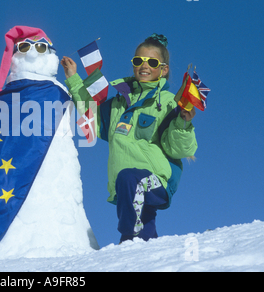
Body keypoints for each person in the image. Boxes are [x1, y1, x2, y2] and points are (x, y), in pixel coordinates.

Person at [61, 34, 198, 243]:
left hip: (155, 179)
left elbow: (179, 150)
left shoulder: (170, 102)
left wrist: (182, 123)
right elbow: (92, 117)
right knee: (147, 231)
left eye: (152, 62)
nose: (144, 66)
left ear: (164, 69)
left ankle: (129, 239)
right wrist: (73, 78)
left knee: (131, 182)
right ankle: (149, 256)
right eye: (138, 61)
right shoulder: (119, 102)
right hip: (126, 188)